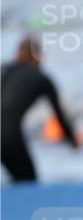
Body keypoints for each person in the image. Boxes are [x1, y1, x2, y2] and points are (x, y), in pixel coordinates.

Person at [1, 35, 78, 182]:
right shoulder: (42, 78)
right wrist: (72, 140)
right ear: (38, 56)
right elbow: (59, 115)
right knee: (27, 181)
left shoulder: (2, 69)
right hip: (8, 136)